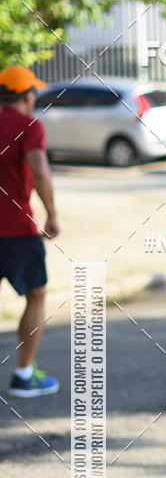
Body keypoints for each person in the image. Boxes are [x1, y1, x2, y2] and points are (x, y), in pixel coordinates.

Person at [0, 65, 60, 396]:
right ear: (26, 95)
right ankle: (24, 374)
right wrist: (52, 214)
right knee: (35, 294)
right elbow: (40, 171)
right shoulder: (28, 126)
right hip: (16, 230)